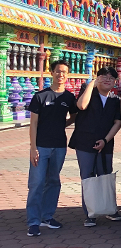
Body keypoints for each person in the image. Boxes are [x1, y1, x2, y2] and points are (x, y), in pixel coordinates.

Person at [26, 60, 78, 237]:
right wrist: (33, 148)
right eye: (58, 71)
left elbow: (75, 116)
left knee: (53, 181)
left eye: (64, 72)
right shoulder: (41, 96)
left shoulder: (69, 98)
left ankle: (47, 216)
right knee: (36, 183)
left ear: (67, 75)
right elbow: (33, 124)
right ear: (52, 73)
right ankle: (33, 221)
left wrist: (63, 124)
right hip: (41, 145)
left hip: (59, 146)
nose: (61, 75)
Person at [69, 67, 121, 227]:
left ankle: (109, 209)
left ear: (115, 81)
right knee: (88, 176)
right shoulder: (88, 94)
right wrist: (91, 83)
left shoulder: (115, 99)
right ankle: (90, 213)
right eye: (103, 76)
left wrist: (105, 140)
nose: (107, 80)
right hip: (85, 142)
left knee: (105, 175)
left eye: (111, 78)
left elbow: (118, 122)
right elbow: (81, 106)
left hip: (105, 144)